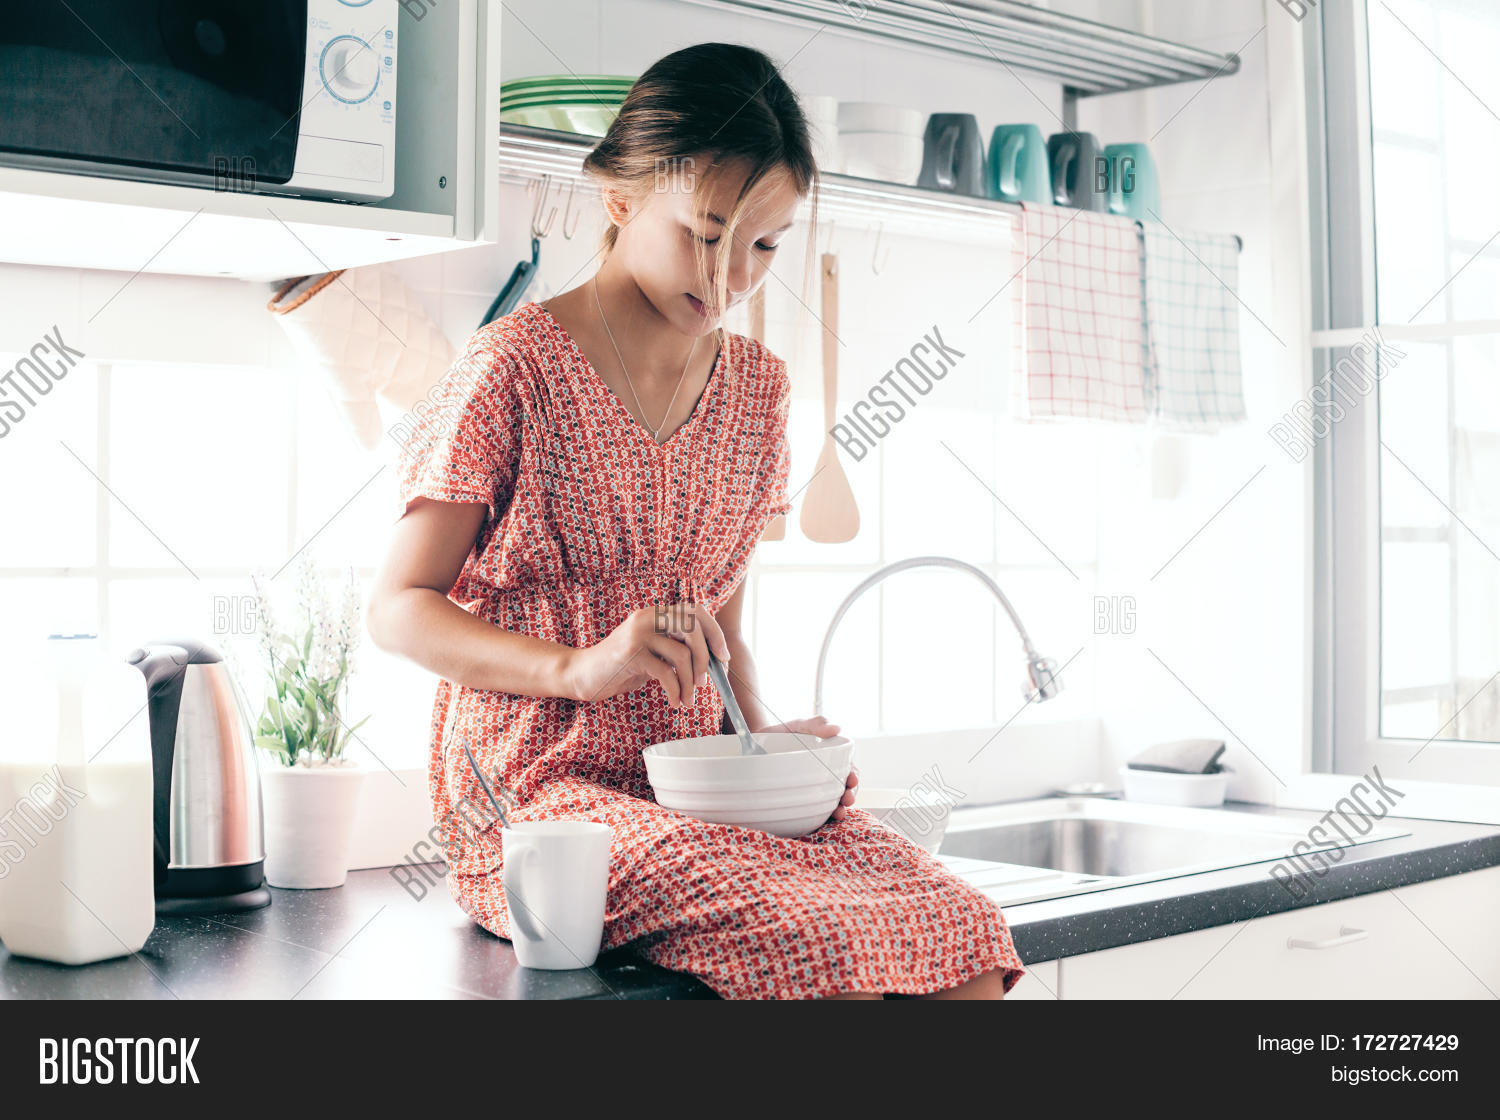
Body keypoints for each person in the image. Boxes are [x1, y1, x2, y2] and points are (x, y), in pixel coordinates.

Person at [368, 42, 1024, 999]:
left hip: (701, 792)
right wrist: (578, 668)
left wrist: (770, 747)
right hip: (541, 801)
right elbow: (397, 607)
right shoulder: (514, 366)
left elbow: (725, 638)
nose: (728, 279)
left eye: (762, 246)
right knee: (816, 944)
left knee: (961, 929)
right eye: (704, 233)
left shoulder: (759, 395)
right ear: (622, 198)